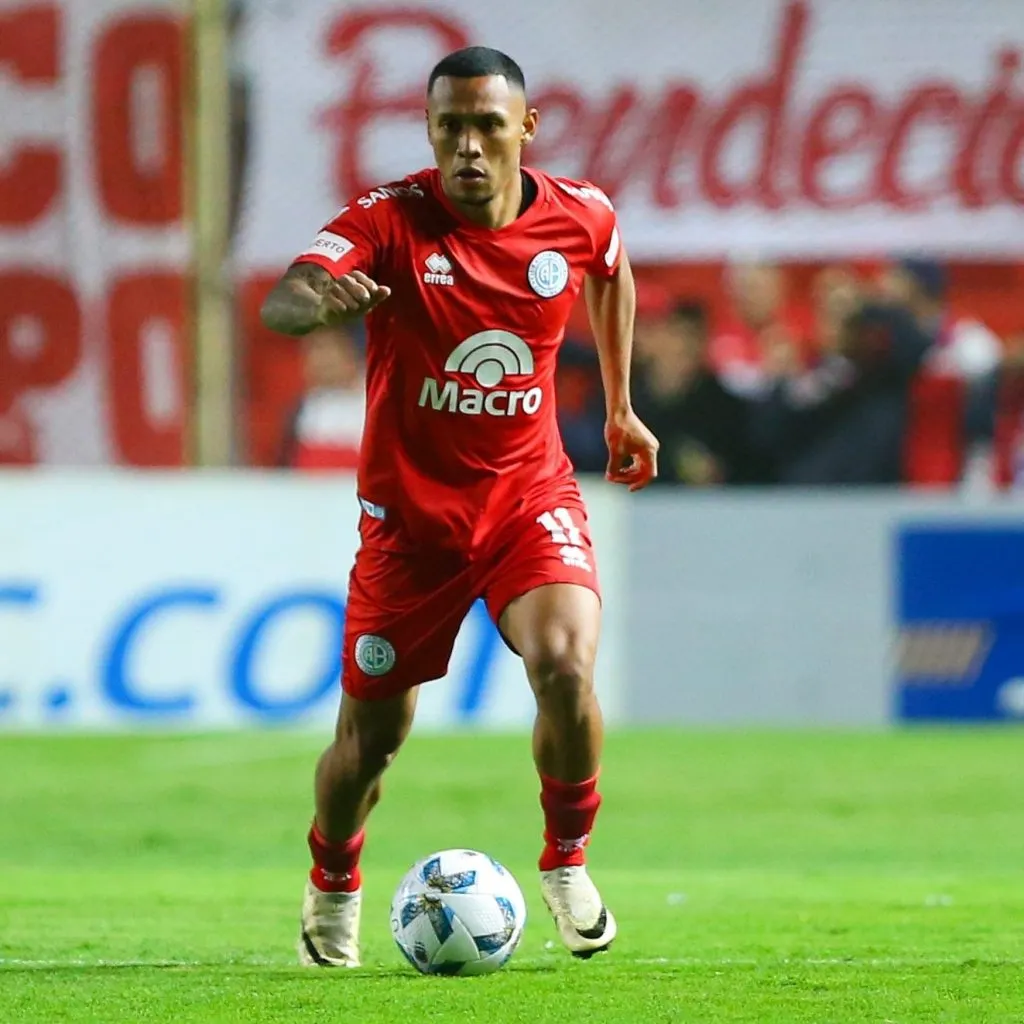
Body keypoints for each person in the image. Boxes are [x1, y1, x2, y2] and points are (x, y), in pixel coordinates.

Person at [260, 46, 659, 967]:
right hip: (411, 527)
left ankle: (565, 862)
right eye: (451, 127)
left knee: (564, 664)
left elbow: (613, 266)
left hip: (528, 497)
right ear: (430, 131)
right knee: (368, 744)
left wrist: (623, 405)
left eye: (487, 124)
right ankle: (333, 880)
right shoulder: (389, 222)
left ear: (527, 127)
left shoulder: (578, 214)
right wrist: (317, 302)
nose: (469, 146)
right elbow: (285, 300)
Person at [633, 301, 759, 485]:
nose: (680, 345)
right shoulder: (620, 399)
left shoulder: (725, 407)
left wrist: (718, 472)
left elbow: (746, 468)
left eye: (690, 336)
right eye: (671, 334)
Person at [277, 326, 365, 471]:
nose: (318, 360)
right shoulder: (301, 410)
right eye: (311, 350)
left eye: (326, 349)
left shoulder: (381, 407)